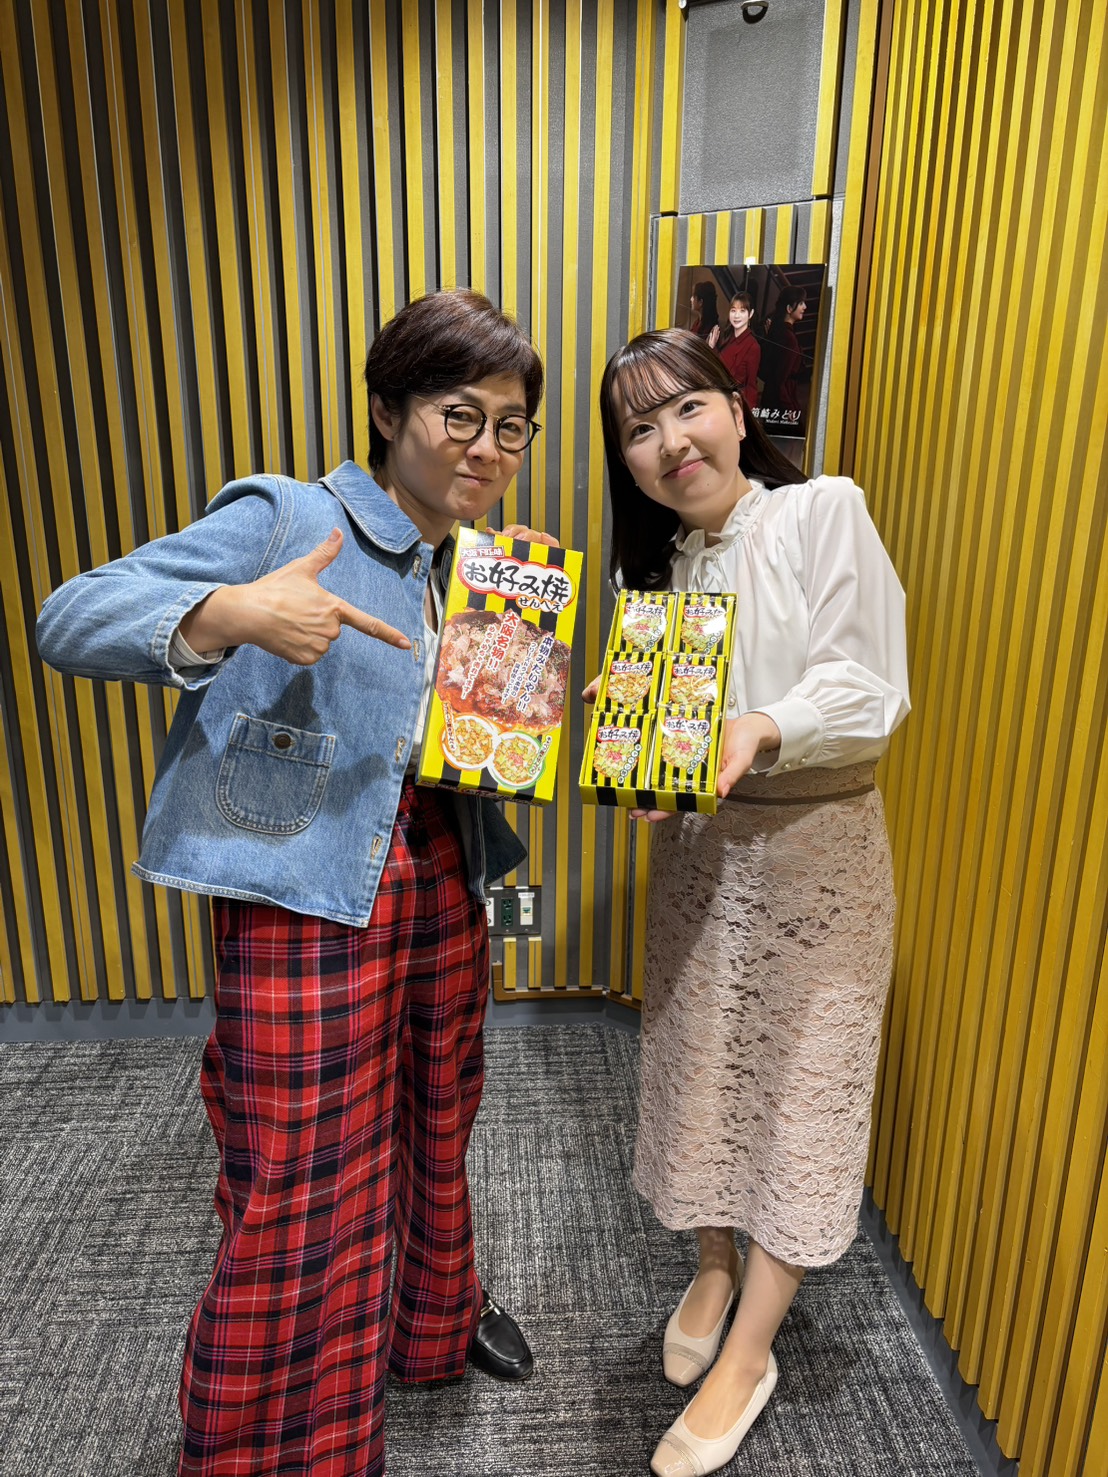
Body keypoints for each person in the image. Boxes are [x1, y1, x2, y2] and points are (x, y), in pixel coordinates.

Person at [37, 289, 553, 1477]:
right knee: (304, 1172)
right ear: (389, 410)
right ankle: (271, 1449)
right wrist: (228, 612)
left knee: (439, 1111)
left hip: (444, 870)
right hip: (306, 885)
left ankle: (433, 1318)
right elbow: (71, 615)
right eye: (458, 414)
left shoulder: (484, 568)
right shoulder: (289, 515)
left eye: (511, 427)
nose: (486, 447)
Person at [595, 328, 909, 1476]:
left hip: (817, 851)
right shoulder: (657, 577)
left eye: (687, 407)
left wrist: (763, 724)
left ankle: (749, 1352)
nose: (669, 441)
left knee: (799, 1096)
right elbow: (675, 740)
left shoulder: (822, 511)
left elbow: (868, 685)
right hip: (701, 860)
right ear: (627, 464)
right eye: (638, 429)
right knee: (702, 1069)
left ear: (737, 411)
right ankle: (712, 1263)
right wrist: (636, 737)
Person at [759, 284, 807, 417]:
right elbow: (780, 381)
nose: (805, 307)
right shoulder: (788, 338)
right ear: (789, 308)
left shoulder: (777, 331)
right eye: (801, 303)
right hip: (781, 404)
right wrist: (790, 409)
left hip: (771, 399)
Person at [706, 291, 761, 407]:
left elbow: (751, 385)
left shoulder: (753, 346)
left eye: (742, 311)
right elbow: (719, 368)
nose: (736, 316)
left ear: (750, 314)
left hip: (734, 403)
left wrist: (748, 413)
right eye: (733, 310)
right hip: (719, 398)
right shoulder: (727, 337)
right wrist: (711, 348)